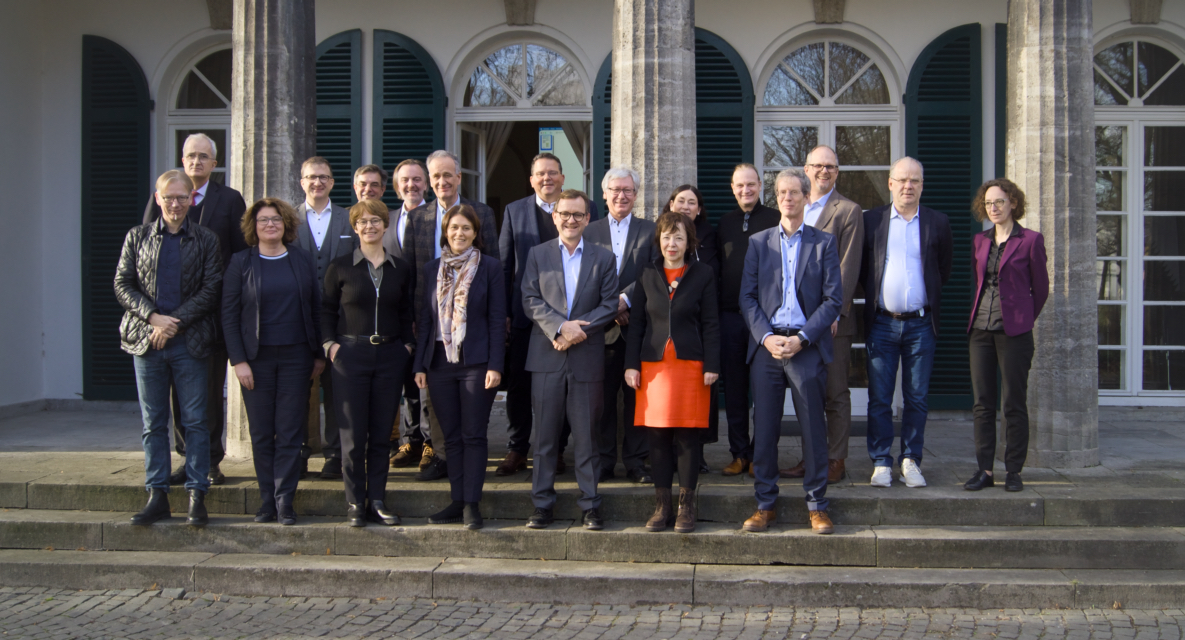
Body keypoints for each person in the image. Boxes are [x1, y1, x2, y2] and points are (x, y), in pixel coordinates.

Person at [116, 170, 223, 527]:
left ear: (191, 199)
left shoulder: (206, 239)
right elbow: (122, 284)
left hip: (190, 342)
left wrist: (172, 322)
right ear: (158, 199)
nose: (175, 204)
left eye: (181, 197)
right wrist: (153, 318)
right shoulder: (138, 236)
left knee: (195, 421)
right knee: (153, 423)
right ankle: (157, 495)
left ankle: (197, 494)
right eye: (168, 197)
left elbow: (212, 288)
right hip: (146, 341)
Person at [739, 168, 842, 535]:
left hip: (805, 347)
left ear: (805, 196)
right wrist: (766, 337)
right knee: (765, 429)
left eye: (794, 192)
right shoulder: (759, 243)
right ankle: (765, 504)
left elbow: (833, 300)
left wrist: (802, 338)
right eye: (781, 192)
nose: (787, 198)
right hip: (767, 347)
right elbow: (747, 298)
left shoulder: (824, 243)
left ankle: (817, 505)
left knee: (813, 428)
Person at [142, 133, 247, 488]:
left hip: (211, 313)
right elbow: (146, 251)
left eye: (203, 156)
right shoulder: (161, 196)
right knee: (176, 393)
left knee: (209, 391)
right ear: (182, 160)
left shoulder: (229, 199)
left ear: (214, 163)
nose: (196, 161)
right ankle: (187, 458)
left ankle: (210, 461)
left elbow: (239, 254)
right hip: (166, 316)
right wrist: (155, 315)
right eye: (190, 155)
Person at [222, 198, 325, 526]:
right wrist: (238, 361)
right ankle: (267, 501)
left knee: (291, 431)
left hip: (297, 357)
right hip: (256, 361)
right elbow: (229, 315)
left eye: (276, 219)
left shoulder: (301, 259)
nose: (270, 224)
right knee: (262, 433)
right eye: (264, 220)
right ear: (253, 226)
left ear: (286, 225)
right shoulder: (241, 262)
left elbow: (316, 307)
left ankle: (285, 501)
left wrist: (318, 354)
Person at [497, 152, 600, 477]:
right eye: (540, 173)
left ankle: (556, 448)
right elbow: (505, 265)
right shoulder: (514, 211)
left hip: (572, 320)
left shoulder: (586, 210)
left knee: (565, 387)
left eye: (553, 173)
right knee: (519, 385)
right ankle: (517, 447)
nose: (547, 178)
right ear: (531, 180)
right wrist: (504, 313)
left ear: (562, 177)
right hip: (526, 315)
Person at [521, 189, 619, 531]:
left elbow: (610, 304)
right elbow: (529, 299)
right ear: (555, 216)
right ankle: (542, 505)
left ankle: (590, 505)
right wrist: (560, 327)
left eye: (578, 214)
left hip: (587, 359)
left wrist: (577, 330)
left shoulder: (604, 258)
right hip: (546, 357)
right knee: (545, 438)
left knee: (588, 437)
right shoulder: (538, 254)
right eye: (565, 213)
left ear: (587, 218)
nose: (571, 220)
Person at [403, 150, 501, 482]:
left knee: (469, 419)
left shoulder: (482, 213)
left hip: (472, 326)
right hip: (432, 324)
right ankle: (441, 455)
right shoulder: (417, 217)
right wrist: (417, 319)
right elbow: (412, 274)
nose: (442, 181)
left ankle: (460, 467)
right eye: (436, 176)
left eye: (448, 175)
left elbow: (492, 261)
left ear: (459, 177)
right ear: (429, 182)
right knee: (435, 401)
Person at [859, 157, 952, 489]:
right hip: (882, 323)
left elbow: (943, 270)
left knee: (917, 398)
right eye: (902, 180)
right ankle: (881, 461)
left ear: (922, 185)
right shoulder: (872, 221)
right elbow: (862, 271)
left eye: (914, 180)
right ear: (890, 183)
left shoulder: (937, 222)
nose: (908, 186)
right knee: (879, 398)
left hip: (921, 326)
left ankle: (911, 460)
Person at [624, 212, 720, 533]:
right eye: (666, 237)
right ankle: (662, 507)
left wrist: (712, 365)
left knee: (688, 436)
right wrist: (631, 364)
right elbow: (637, 324)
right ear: (659, 240)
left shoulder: (703, 274)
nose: (672, 243)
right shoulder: (646, 272)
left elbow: (711, 323)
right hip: (653, 367)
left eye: (679, 237)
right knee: (658, 436)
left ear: (689, 241)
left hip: (690, 366)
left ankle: (686, 508)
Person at [321, 198, 415, 527]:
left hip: (389, 357)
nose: (370, 226)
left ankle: (376, 499)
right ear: (355, 227)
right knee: (352, 435)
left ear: (385, 225)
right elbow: (325, 310)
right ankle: (354, 503)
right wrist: (330, 346)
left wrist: (406, 346)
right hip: (350, 356)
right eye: (363, 221)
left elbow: (406, 311)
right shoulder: (340, 267)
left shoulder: (400, 268)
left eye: (376, 220)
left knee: (380, 435)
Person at [413, 205, 506, 529]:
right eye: (454, 227)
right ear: (445, 232)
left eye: (466, 228)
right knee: (450, 437)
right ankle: (456, 500)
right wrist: (420, 365)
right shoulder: (432, 269)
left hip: (476, 363)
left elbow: (497, 319)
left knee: (473, 435)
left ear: (475, 232)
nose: (459, 233)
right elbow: (426, 321)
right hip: (439, 363)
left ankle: (471, 505)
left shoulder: (490, 267)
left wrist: (496, 365)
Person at [781, 145, 865, 484]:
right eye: (817, 165)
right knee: (809, 395)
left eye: (830, 166)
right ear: (806, 169)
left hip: (833, 322)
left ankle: (835, 460)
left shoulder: (848, 211)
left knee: (835, 392)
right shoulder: (796, 206)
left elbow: (848, 267)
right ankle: (811, 457)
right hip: (799, 322)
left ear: (837, 172)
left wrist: (834, 313)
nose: (824, 171)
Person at [964, 178, 1049, 493]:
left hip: (1014, 333)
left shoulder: (1030, 240)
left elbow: (1041, 289)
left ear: (1013, 203)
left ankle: (1014, 470)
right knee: (982, 404)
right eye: (988, 203)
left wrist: (1023, 319)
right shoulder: (980, 240)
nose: (993, 208)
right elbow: (978, 283)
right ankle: (985, 470)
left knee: (1013, 402)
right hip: (980, 331)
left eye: (999, 201)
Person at [583, 166, 657, 484]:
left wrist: (625, 301)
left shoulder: (650, 230)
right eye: (615, 190)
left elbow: (654, 272)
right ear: (604, 194)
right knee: (601, 400)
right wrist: (609, 309)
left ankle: (636, 462)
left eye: (627, 190)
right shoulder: (589, 231)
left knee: (636, 398)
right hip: (601, 332)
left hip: (638, 328)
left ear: (636, 195)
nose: (621, 195)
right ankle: (603, 461)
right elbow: (583, 278)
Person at [294, 156, 357, 481]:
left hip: (340, 318)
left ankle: (334, 454)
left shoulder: (349, 219)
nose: (317, 182)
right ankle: (300, 452)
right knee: (297, 389)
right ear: (302, 182)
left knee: (336, 390)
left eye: (323, 177)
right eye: (311, 177)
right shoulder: (287, 219)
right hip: (297, 318)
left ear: (332, 182)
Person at [717, 164, 780, 477]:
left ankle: (761, 455)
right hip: (730, 319)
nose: (746, 190)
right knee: (735, 391)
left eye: (751, 184)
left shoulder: (775, 219)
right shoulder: (724, 223)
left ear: (760, 185)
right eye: (740, 185)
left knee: (765, 392)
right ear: (732, 188)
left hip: (765, 321)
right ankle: (739, 453)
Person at [661, 185, 720, 472]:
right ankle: (665, 454)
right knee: (666, 398)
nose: (685, 206)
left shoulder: (711, 236)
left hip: (700, 324)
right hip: (665, 330)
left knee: (698, 396)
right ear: (671, 204)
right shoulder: (660, 236)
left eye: (692, 202)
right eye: (680, 201)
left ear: (699, 209)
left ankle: (696, 454)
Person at [383, 159, 428, 470]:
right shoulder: (385, 220)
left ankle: (429, 443)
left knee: (425, 382)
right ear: (397, 187)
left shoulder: (439, 216)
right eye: (405, 181)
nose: (411, 185)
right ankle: (409, 441)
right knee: (404, 382)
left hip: (429, 313)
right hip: (394, 314)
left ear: (426, 184)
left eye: (417, 179)